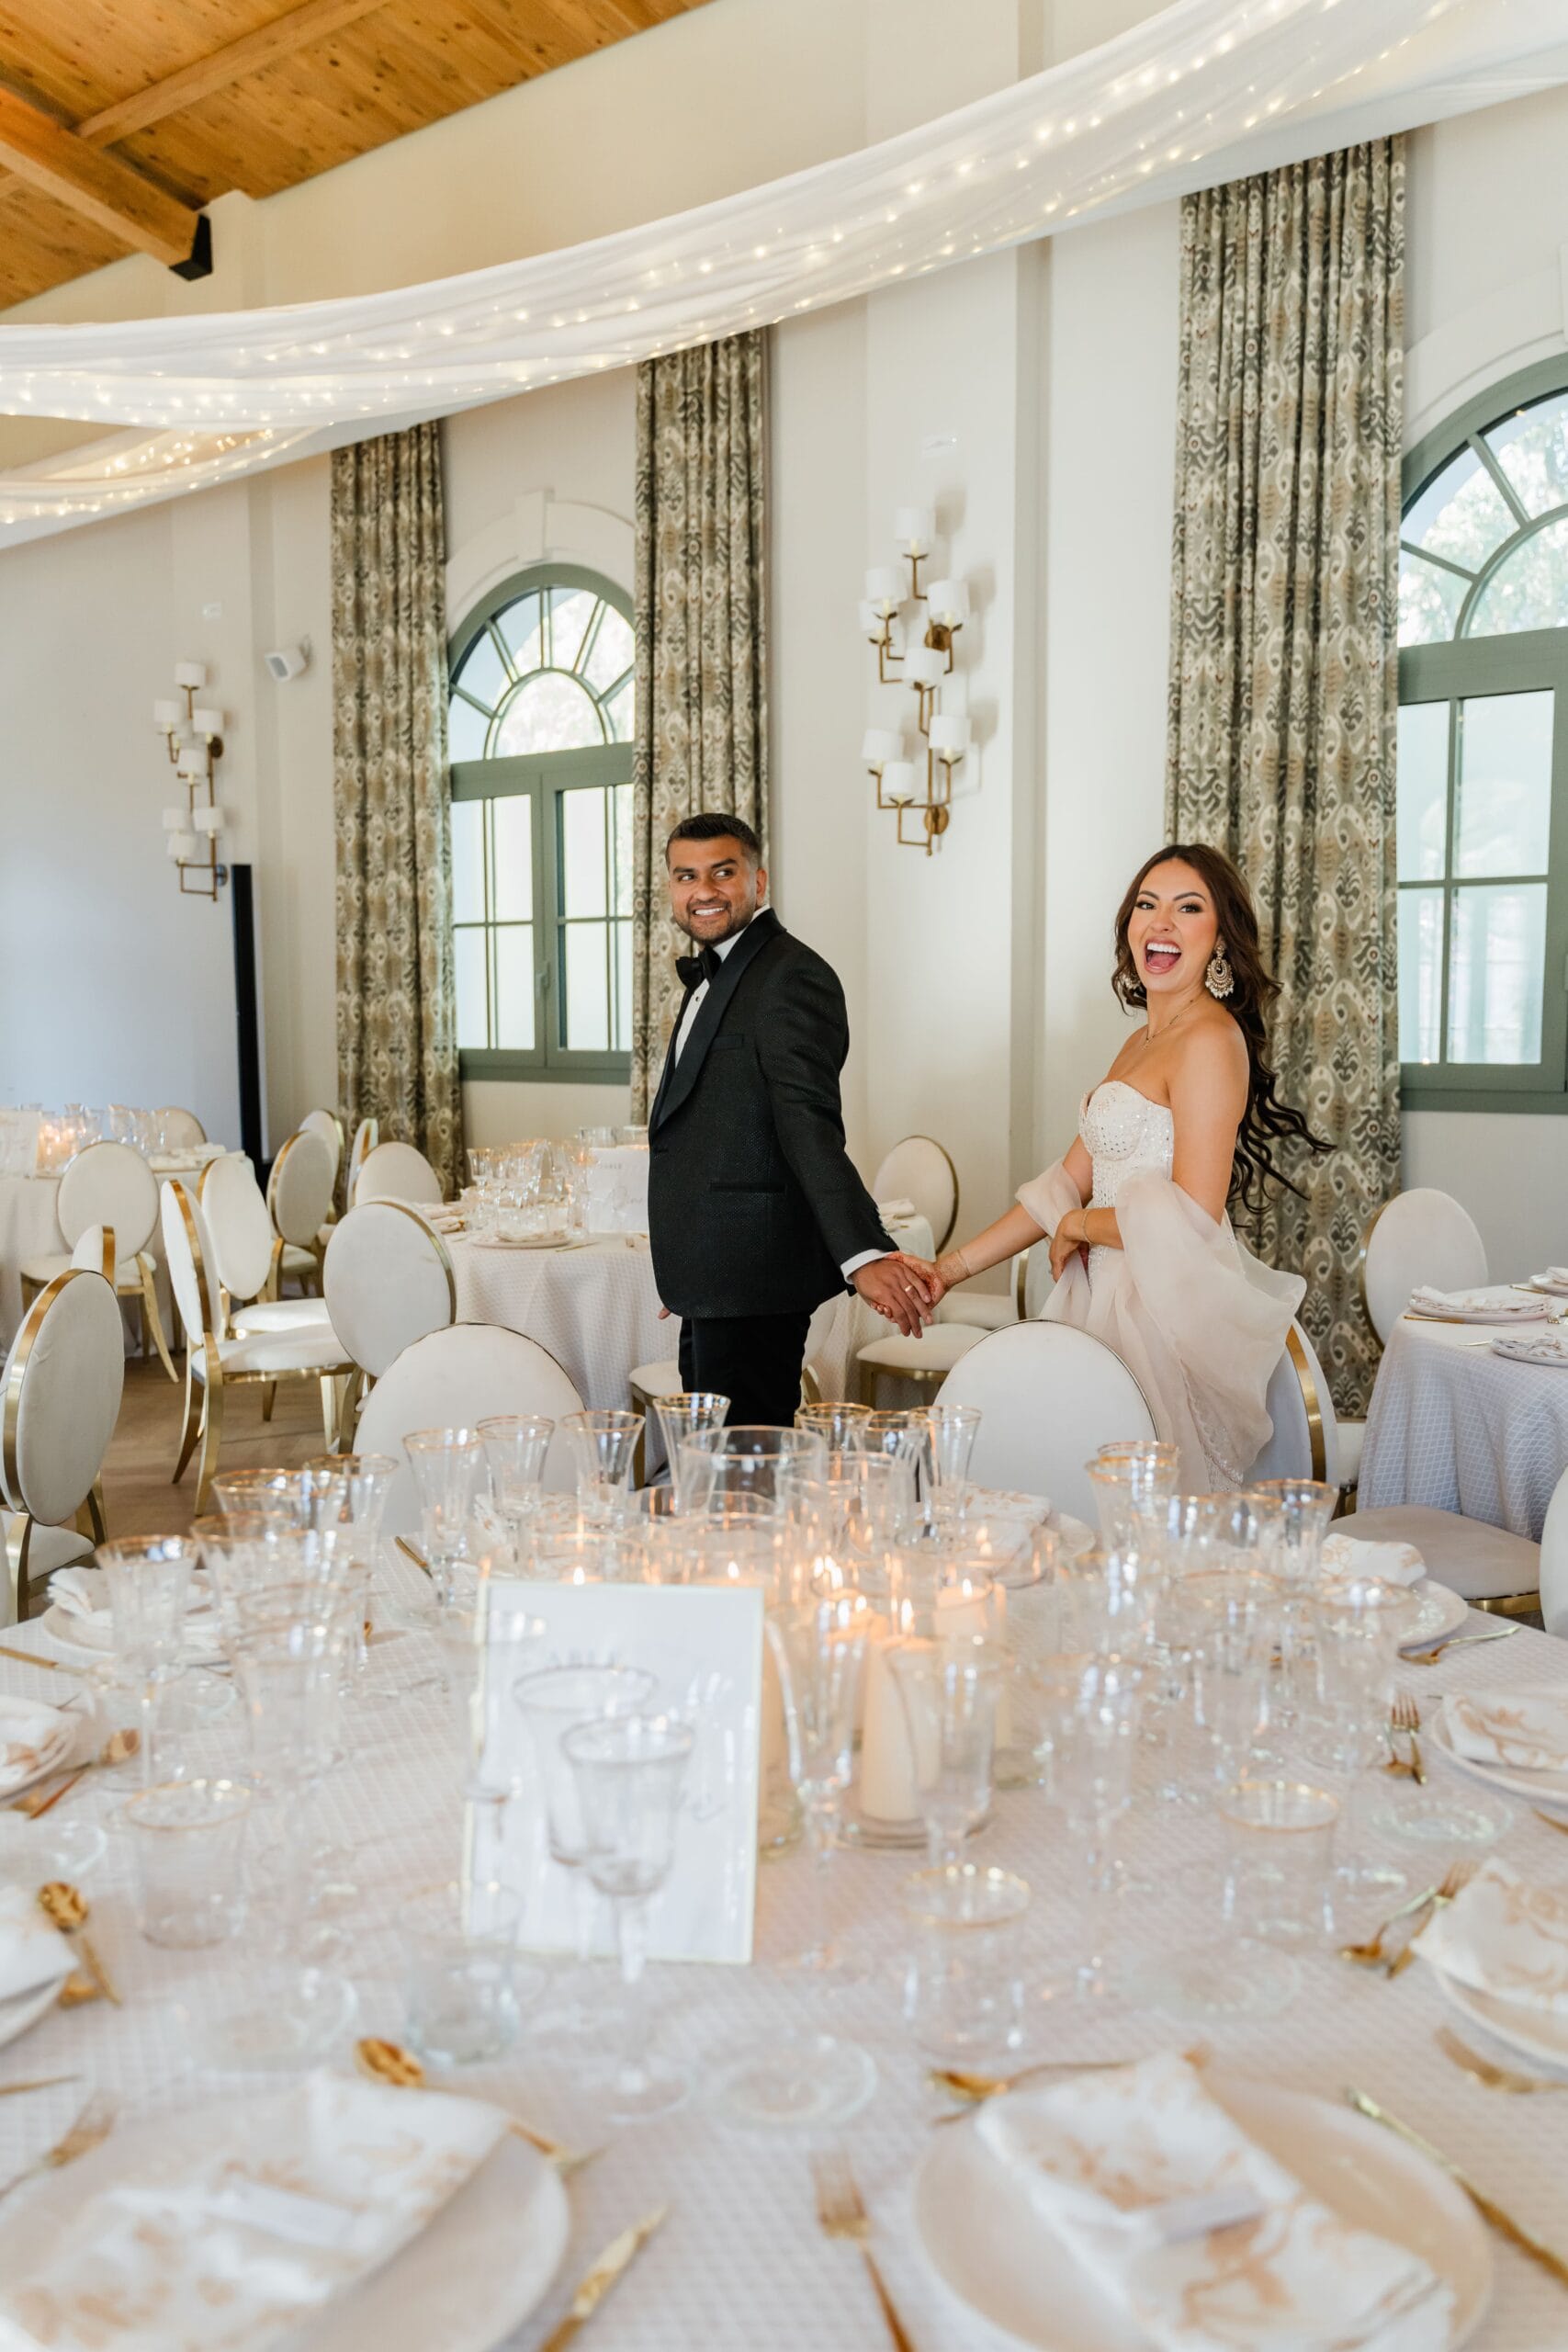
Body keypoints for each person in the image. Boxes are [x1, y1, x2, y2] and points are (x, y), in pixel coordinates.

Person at [918, 843, 1326, 1488]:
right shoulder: (1140, 1040)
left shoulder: (1211, 1039)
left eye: (1187, 908)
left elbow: (1193, 1213)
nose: (1160, 923)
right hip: (1098, 1296)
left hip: (1161, 1312)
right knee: (1073, 1483)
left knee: (1139, 1497)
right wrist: (946, 1271)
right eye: (1146, 904)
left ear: (1220, 937)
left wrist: (1079, 1226)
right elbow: (1064, 1183)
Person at [647, 811, 934, 1427]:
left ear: (758, 881)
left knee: (744, 1458)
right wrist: (689, 1257)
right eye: (685, 876)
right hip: (715, 1274)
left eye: (722, 872)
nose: (703, 890)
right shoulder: (719, 975)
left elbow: (807, 1126)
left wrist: (862, 1253)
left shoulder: (790, 975)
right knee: (713, 1453)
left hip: (754, 1277)